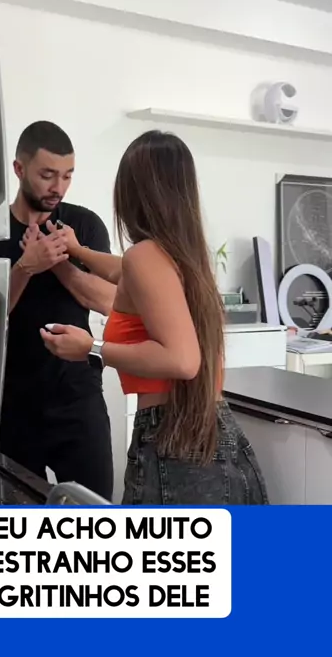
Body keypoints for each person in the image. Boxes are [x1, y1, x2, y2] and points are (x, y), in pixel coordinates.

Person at [41, 130, 269, 505]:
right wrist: (78, 250)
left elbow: (182, 360)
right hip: (212, 435)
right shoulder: (184, 256)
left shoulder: (145, 256)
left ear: (131, 192)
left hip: (173, 444)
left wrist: (92, 348)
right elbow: (124, 273)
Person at [0, 121, 116, 500]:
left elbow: (109, 301)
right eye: (47, 175)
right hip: (12, 400)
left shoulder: (84, 226)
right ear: (19, 169)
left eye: (67, 175)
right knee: (14, 517)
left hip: (78, 397)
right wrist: (26, 266)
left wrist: (59, 263)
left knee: (92, 517)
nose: (58, 186)